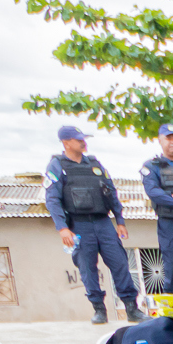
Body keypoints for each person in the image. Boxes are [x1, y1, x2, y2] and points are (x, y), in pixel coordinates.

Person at [44, 124, 141, 325]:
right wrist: (62, 228)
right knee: (87, 267)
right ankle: (99, 310)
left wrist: (120, 221)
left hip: (103, 222)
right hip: (78, 224)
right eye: (78, 139)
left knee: (120, 263)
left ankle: (132, 309)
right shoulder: (57, 165)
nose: (83, 142)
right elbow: (52, 199)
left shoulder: (95, 164)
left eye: (83, 139)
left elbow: (111, 192)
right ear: (66, 142)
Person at [140, 123, 173, 296]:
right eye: (168, 139)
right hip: (170, 222)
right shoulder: (152, 166)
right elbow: (153, 191)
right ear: (160, 141)